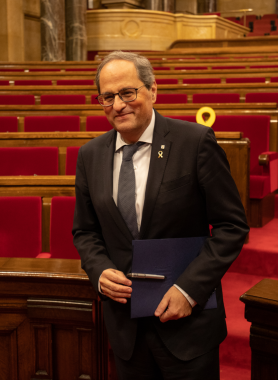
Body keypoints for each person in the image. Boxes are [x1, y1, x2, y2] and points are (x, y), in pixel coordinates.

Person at [72, 51, 249, 380]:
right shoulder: (90, 155)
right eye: (108, 97)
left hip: (187, 327)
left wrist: (189, 290)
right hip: (127, 329)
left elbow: (232, 226)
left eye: (128, 92)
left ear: (153, 90)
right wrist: (99, 270)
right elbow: (85, 231)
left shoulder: (194, 142)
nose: (118, 104)